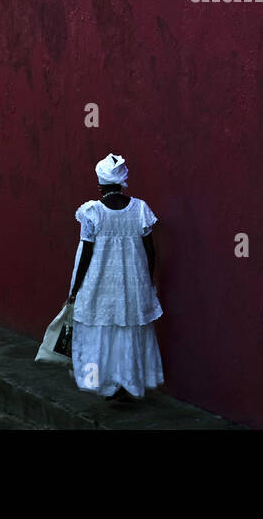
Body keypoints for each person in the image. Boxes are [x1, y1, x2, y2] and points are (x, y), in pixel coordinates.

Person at [67, 153, 164, 401]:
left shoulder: (92, 211)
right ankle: (126, 382)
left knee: (101, 330)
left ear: (100, 184)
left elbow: (86, 253)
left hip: (99, 283)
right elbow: (150, 251)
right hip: (134, 284)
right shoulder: (140, 209)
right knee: (129, 331)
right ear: (121, 181)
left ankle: (104, 382)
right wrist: (147, 279)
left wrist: (75, 289)